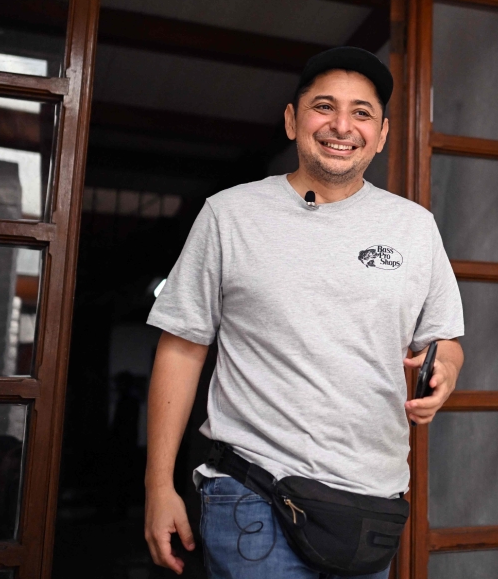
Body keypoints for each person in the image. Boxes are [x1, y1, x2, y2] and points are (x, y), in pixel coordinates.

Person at [143, 47, 465, 578]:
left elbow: (442, 339)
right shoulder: (231, 215)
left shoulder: (414, 227)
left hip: (370, 504)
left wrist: (445, 369)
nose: (342, 125)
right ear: (293, 120)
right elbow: (181, 345)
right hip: (255, 495)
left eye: (362, 112)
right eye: (324, 107)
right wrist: (159, 485)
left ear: (381, 134)